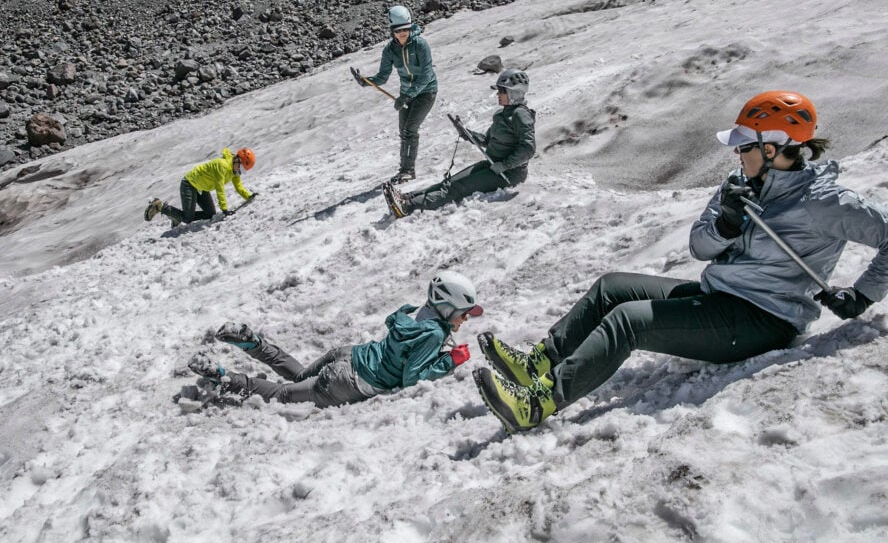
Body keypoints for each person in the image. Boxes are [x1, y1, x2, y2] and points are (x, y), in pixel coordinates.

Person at [472, 90, 888, 433]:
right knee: (612, 287)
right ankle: (538, 363)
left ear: (775, 146)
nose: (737, 155)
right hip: (720, 297)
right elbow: (699, 247)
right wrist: (725, 225)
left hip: (763, 320)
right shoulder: (740, 186)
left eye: (745, 146)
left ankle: (538, 403)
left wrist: (864, 294)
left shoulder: (825, 202)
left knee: (629, 321)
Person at [186, 271, 484, 408]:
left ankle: (253, 343)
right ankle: (225, 378)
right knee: (283, 395)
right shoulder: (433, 334)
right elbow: (411, 378)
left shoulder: (415, 312)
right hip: (349, 382)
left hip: (348, 354)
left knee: (300, 375)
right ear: (446, 307)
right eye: (463, 313)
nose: (465, 319)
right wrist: (449, 361)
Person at [383, 69, 536, 218]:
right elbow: (487, 140)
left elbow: (528, 149)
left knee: (457, 188)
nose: (498, 94)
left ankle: (409, 206)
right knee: (449, 182)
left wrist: (505, 165)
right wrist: (466, 133)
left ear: (514, 92)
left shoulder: (521, 115)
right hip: (493, 165)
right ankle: (408, 198)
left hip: (509, 174)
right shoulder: (501, 114)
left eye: (502, 91)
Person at [353, 5, 437, 184]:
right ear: (392, 31)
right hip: (406, 94)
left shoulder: (421, 45)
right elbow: (383, 77)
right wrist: (366, 81)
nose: (403, 34)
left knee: (410, 129)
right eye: (398, 31)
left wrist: (407, 96)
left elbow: (427, 75)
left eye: (406, 29)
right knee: (403, 132)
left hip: (426, 92)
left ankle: (408, 171)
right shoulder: (390, 50)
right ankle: (404, 170)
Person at [144, 147, 256, 227]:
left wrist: (249, 196)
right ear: (237, 160)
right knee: (188, 218)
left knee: (210, 214)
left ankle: (176, 216)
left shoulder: (234, 171)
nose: (239, 172)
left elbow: (238, 186)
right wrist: (224, 209)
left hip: (201, 188)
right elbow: (220, 188)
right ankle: (159, 206)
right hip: (189, 184)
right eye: (240, 168)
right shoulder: (222, 165)